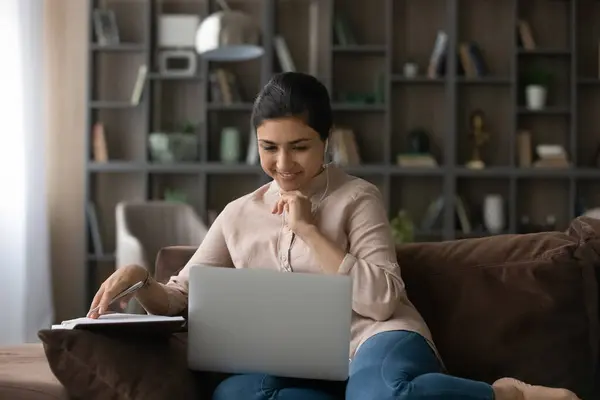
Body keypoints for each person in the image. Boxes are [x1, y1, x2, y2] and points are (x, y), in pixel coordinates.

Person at [88, 72, 580, 400]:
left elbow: (383, 299)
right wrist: (139, 282)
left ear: (326, 141)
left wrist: (308, 230)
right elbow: (181, 298)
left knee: (390, 394)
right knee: (236, 394)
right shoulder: (238, 214)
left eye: (300, 147)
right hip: (289, 358)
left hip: (373, 338)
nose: (283, 165)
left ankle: (506, 394)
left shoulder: (357, 197)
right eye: (269, 148)